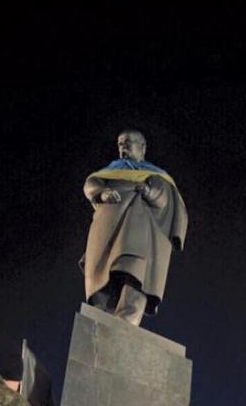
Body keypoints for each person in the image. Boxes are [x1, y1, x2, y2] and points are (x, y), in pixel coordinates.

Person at [80, 129, 189, 325]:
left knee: (135, 273)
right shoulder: (112, 170)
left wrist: (149, 191)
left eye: (128, 142)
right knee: (104, 274)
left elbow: (165, 198)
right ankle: (102, 318)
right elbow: (91, 184)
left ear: (143, 147)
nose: (123, 146)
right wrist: (101, 192)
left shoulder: (157, 175)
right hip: (108, 231)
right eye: (120, 143)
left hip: (139, 233)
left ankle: (126, 322)